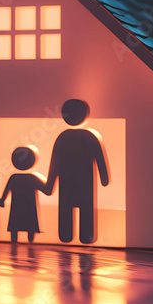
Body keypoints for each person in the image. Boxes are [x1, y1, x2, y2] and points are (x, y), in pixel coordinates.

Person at [47, 99, 109, 244]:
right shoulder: (89, 137)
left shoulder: (63, 137)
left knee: (67, 208)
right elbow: (99, 158)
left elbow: (54, 163)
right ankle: (85, 236)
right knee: (85, 208)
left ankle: (67, 235)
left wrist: (50, 183)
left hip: (68, 181)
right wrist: (104, 178)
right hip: (84, 181)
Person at [2, 146, 49, 243]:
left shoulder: (14, 178)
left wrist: (0, 201)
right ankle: (30, 242)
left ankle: (15, 243)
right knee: (30, 228)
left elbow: (4, 195)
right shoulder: (32, 178)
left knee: (15, 228)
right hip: (29, 211)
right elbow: (47, 190)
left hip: (16, 210)